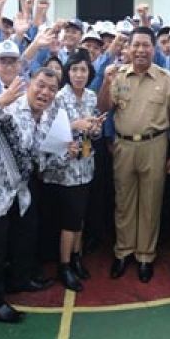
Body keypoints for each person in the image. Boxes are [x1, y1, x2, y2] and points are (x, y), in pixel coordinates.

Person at [98, 27, 170, 283]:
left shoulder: (167, 79)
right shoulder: (117, 77)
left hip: (155, 146)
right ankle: (123, 252)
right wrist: (105, 82)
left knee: (151, 203)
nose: (140, 50)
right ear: (128, 48)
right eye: (135, 45)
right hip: (123, 147)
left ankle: (145, 256)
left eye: (145, 45)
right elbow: (104, 108)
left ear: (153, 48)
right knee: (123, 202)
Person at [0, 69, 59, 322]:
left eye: (51, 89)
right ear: (30, 84)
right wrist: (0, 102)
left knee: (23, 235)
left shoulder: (40, 117)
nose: (45, 92)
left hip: (17, 191)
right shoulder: (6, 105)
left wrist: (64, 149)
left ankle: (19, 281)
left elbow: (37, 157)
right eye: (40, 85)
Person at [41, 52, 103, 292]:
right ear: (68, 72)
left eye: (84, 70)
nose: (79, 75)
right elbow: (46, 130)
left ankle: (77, 258)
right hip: (65, 167)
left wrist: (94, 128)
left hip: (85, 164)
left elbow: (93, 134)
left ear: (89, 74)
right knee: (70, 218)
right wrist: (74, 125)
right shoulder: (58, 97)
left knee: (80, 217)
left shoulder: (91, 96)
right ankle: (64, 265)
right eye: (75, 69)